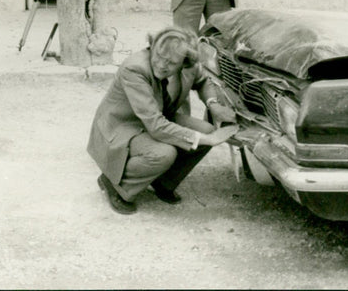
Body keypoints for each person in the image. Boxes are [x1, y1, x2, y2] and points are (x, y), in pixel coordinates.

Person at [87, 26, 238, 214]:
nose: (161, 64)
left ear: (184, 62)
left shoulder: (189, 65)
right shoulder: (134, 68)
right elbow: (156, 126)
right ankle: (116, 184)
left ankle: (163, 181)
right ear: (153, 46)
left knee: (205, 130)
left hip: (157, 117)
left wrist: (213, 104)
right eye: (158, 56)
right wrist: (210, 140)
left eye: (170, 62)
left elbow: (203, 81)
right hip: (123, 126)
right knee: (164, 153)